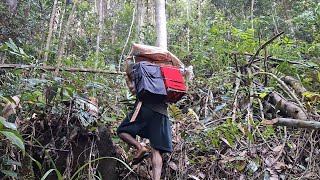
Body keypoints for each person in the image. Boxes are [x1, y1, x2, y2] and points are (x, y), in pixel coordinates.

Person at [117, 61, 172, 180]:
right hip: (162, 112)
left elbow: (133, 89)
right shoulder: (159, 70)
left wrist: (129, 79)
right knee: (156, 150)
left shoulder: (137, 69)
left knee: (122, 131)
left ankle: (139, 146)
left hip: (144, 107)